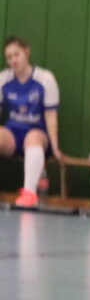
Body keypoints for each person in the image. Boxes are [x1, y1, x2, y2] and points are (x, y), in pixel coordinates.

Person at [0, 36, 64, 208]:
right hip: (13, 133)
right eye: (9, 57)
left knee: (33, 138)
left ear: (26, 52)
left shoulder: (45, 78)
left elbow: (51, 114)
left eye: (17, 54)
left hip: (37, 133)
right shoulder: (3, 79)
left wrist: (55, 147)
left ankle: (29, 193)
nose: (13, 60)